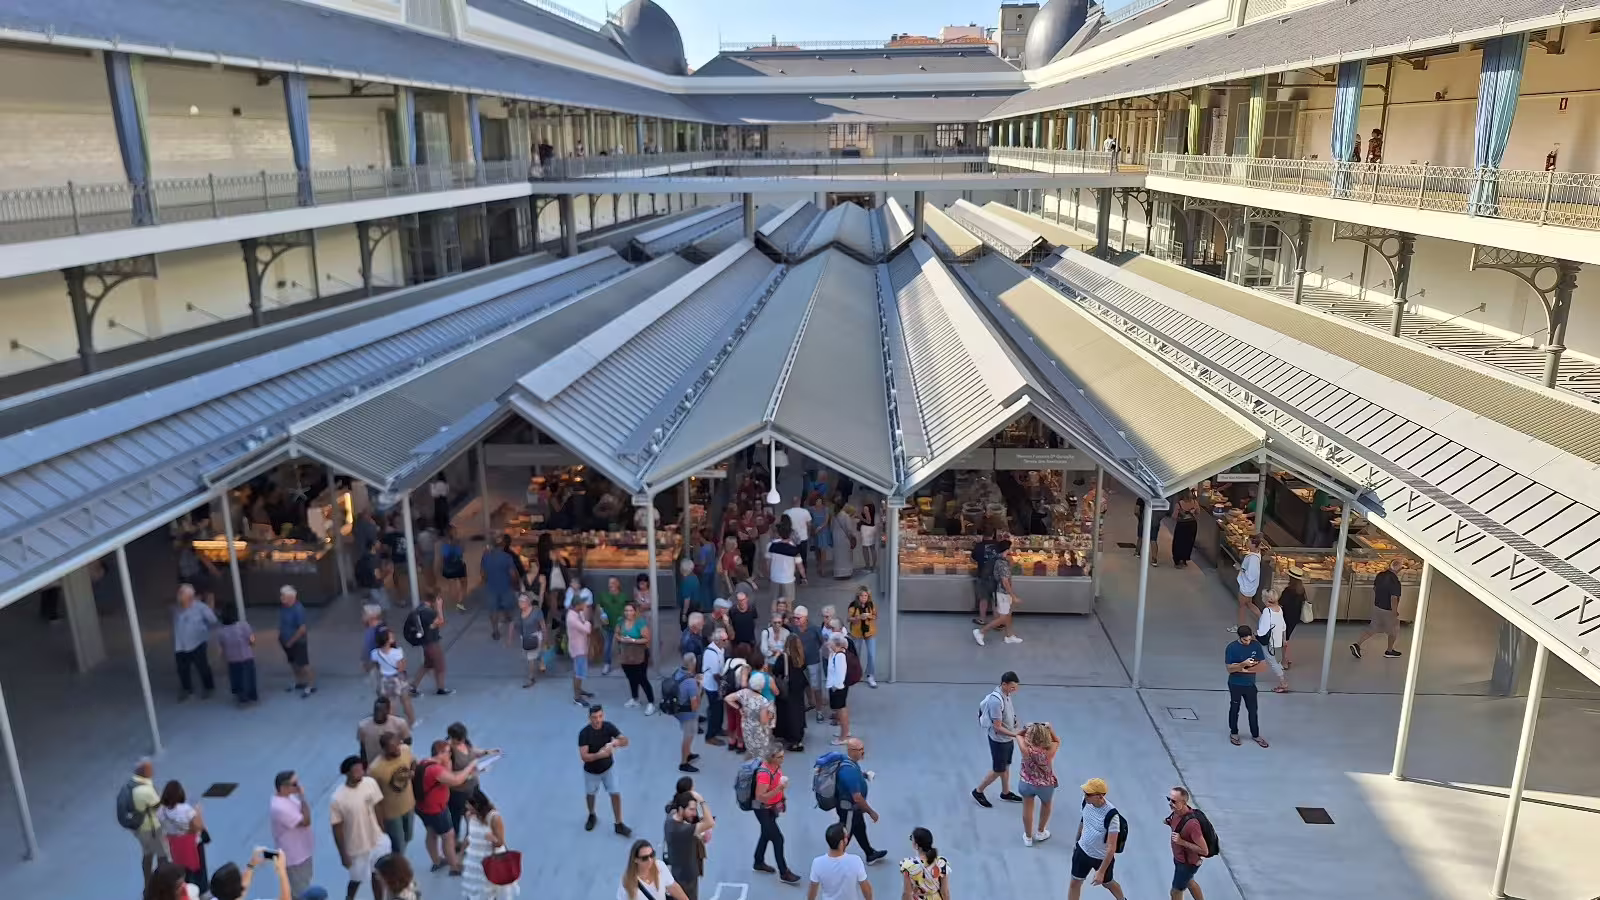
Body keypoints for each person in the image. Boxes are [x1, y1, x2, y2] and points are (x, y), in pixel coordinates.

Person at [328, 755, 387, 900]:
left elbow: (378, 805)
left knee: (377, 874)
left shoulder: (370, 783)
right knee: (356, 879)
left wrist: (382, 829)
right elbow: (337, 828)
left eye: (362, 769)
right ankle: (349, 898)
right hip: (356, 847)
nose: (361, 772)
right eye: (356, 770)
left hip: (377, 840)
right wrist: (343, 855)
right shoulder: (337, 798)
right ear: (347, 773)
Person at [416, 739, 473, 873]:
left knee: (431, 832)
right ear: (440, 752)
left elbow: (448, 774)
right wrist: (470, 767)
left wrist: (447, 763)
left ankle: (436, 861)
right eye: (448, 753)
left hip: (422, 807)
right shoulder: (435, 770)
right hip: (436, 809)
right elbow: (455, 780)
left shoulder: (424, 763)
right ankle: (455, 867)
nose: (450, 756)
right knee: (448, 836)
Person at [579, 704, 634, 837]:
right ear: (589, 718)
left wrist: (616, 743)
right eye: (594, 717)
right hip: (591, 772)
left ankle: (619, 824)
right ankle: (592, 815)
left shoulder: (608, 727)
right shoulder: (584, 733)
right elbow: (584, 756)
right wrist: (600, 755)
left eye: (600, 716)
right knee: (590, 794)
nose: (597, 720)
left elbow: (625, 740)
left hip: (609, 768)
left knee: (615, 793)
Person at [1068, 778, 1126, 900]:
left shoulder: (1112, 816)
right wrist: (1076, 843)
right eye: (1085, 793)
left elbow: (1111, 847)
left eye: (1089, 794)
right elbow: (1083, 821)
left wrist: (1101, 871)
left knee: (1108, 883)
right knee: (1074, 883)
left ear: (1100, 796)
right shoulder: (1085, 802)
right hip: (1082, 851)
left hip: (1101, 858)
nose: (1085, 796)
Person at [972, 671, 1023, 808]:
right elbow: (997, 727)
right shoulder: (995, 701)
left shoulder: (1006, 694)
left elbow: (1009, 712)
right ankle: (978, 791)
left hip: (1007, 738)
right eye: (1012, 687)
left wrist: (1014, 720)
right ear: (1004, 684)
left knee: (1006, 766)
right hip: (999, 740)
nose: (1015, 690)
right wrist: (1016, 735)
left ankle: (1005, 792)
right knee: (998, 770)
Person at [750, 746, 801, 884]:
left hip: (771, 808)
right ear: (771, 758)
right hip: (763, 809)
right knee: (778, 839)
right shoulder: (765, 774)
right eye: (780, 757)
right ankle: (784, 872)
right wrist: (779, 789)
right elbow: (760, 797)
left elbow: (777, 784)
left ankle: (758, 861)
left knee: (766, 834)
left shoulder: (776, 768)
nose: (783, 759)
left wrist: (782, 797)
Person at [833, 738, 884, 864]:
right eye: (860, 750)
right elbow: (857, 797)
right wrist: (871, 812)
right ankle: (834, 861)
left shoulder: (849, 762)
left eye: (863, 749)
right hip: (849, 809)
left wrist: (864, 775)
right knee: (845, 835)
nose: (863, 752)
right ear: (851, 751)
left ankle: (870, 853)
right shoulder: (848, 770)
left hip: (854, 809)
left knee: (860, 828)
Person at [460, 789, 516, 900]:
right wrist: (461, 853)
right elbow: (469, 835)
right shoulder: (469, 815)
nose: (467, 808)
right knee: (476, 888)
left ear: (477, 805)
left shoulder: (494, 818)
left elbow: (501, 842)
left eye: (469, 805)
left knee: (490, 888)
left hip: (491, 858)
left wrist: (493, 839)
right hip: (476, 859)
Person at [447, 723, 497, 845]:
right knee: (456, 820)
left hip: (472, 788)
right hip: (458, 792)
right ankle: (455, 844)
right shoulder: (448, 752)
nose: (462, 741)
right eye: (459, 739)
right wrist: (473, 772)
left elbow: (472, 751)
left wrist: (486, 752)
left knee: (474, 817)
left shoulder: (465, 743)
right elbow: (452, 776)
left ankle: (468, 840)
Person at [367, 732, 415, 858]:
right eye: (393, 748)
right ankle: (398, 870)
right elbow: (373, 798)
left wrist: (412, 771)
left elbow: (413, 761)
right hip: (391, 814)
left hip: (409, 805)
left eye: (398, 745)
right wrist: (379, 821)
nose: (397, 749)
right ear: (384, 749)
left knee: (408, 837)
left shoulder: (405, 750)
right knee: (398, 845)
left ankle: (397, 862)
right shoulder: (375, 769)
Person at [269, 770, 316, 898]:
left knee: (305, 884)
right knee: (300, 892)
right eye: (294, 784)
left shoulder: (288, 797)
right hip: (294, 858)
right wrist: (302, 796)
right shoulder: (279, 808)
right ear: (283, 788)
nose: (299, 786)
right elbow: (306, 821)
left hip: (303, 852)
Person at [156, 780, 207, 894]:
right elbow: (197, 826)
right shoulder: (186, 809)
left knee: (181, 867)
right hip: (191, 843)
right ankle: (201, 891)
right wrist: (199, 813)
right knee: (199, 869)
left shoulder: (161, 811)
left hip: (175, 843)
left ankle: (183, 889)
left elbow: (161, 826)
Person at [1014, 722, 1060, 846]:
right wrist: (1050, 729)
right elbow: (1057, 741)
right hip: (1045, 785)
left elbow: (1018, 735)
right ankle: (1041, 832)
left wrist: (1026, 728)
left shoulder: (1025, 749)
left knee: (1027, 808)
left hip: (1026, 783)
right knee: (1046, 805)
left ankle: (1028, 837)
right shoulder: (1049, 751)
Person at [1351, 557, 1405, 660]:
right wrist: (1394, 612)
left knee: (1373, 628)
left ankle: (1357, 644)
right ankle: (1389, 651)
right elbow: (1394, 598)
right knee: (1394, 630)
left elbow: (1375, 588)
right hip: (1388, 610)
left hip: (1377, 606)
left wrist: (1379, 598)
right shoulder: (1395, 582)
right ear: (1398, 569)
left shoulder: (1380, 575)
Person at [663, 791, 714, 900]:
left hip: (677, 874)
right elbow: (710, 823)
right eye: (691, 809)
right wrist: (702, 801)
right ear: (681, 809)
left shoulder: (670, 819)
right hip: (686, 878)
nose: (694, 813)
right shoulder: (683, 830)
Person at [1225, 625, 1269, 748]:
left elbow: (1263, 666)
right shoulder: (1232, 648)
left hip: (1250, 684)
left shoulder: (1255, 646)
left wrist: (1243, 669)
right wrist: (1243, 664)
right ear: (1239, 638)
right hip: (1235, 684)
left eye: (1249, 639)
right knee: (1235, 708)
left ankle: (1256, 734)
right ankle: (1234, 733)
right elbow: (1229, 669)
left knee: (1253, 710)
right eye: (1245, 640)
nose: (1247, 642)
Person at [172, 584, 218, 701]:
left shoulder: (200, 607)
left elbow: (213, 620)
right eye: (180, 595)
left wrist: (203, 630)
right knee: (182, 669)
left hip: (198, 643)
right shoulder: (177, 609)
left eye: (183, 596)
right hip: (180, 645)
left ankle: (209, 687)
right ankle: (187, 689)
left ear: (190, 597)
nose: (180, 598)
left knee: (202, 667)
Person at [124, 758, 167, 880]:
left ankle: (148, 881)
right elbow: (158, 806)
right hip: (151, 828)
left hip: (140, 829)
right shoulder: (145, 790)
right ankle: (161, 881)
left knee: (148, 854)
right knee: (162, 854)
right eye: (149, 769)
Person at [808, 822, 872, 900]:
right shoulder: (855, 861)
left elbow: (812, 892)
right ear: (842, 842)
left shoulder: (817, 863)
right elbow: (866, 890)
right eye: (846, 836)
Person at [973, 541, 1021, 646]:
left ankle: (1009, 636)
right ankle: (981, 632)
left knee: (1008, 615)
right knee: (1003, 618)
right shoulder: (1002, 563)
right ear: (1007, 549)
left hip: (1002, 592)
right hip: (1003, 593)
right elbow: (1005, 581)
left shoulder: (1001, 560)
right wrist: (1013, 596)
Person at [1166, 786, 1209, 900]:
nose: (1170, 803)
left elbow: (1204, 850)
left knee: (1175, 892)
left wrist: (1182, 842)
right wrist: (1169, 822)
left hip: (1187, 864)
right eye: (1169, 799)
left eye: (1174, 801)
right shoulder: (1176, 813)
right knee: (1189, 881)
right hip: (1180, 860)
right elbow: (1178, 826)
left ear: (1183, 802)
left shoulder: (1192, 825)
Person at [407, 594, 453, 696]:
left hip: (425, 642)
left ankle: (413, 686)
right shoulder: (428, 612)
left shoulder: (419, 609)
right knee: (440, 666)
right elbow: (440, 622)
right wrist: (439, 607)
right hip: (432, 642)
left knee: (428, 664)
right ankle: (441, 688)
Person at [275, 585, 316, 697]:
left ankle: (311, 685)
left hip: (297, 641)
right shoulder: (284, 607)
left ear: (291, 597)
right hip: (285, 641)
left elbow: (302, 629)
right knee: (293, 663)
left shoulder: (298, 609)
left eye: (283, 595)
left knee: (303, 664)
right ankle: (299, 682)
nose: (281, 598)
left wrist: (291, 641)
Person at [616, 601, 656, 714]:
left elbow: (647, 638)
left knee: (642, 678)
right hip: (626, 653)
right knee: (631, 677)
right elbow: (617, 634)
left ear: (635, 611)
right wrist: (621, 639)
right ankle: (635, 698)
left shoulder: (640, 622)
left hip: (639, 653)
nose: (628, 613)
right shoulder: (621, 621)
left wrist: (633, 640)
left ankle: (651, 702)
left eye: (630, 610)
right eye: (626, 610)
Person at [728, 669, 776, 761]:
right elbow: (764, 721)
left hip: (747, 727)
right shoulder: (763, 701)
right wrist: (771, 715)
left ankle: (748, 768)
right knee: (760, 754)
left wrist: (739, 708)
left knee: (750, 750)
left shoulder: (744, 693)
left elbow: (728, 698)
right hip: (759, 731)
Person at [370, 628, 415, 724]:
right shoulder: (397, 652)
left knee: (390, 703)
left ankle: (390, 724)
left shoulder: (374, 653)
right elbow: (401, 668)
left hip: (385, 679)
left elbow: (377, 666)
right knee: (405, 701)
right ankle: (411, 721)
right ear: (386, 640)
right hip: (398, 679)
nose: (393, 637)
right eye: (391, 637)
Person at [216, 602, 258, 705]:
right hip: (246, 656)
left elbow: (222, 646)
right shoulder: (243, 626)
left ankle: (241, 696)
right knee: (248, 677)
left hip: (232, 658)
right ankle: (251, 695)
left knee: (236, 677)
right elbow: (251, 640)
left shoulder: (221, 631)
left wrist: (222, 658)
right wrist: (251, 643)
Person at [480, 534, 521, 642]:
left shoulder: (486, 557)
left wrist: (486, 582)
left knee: (493, 610)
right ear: (502, 546)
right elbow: (512, 574)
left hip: (491, 587)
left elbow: (483, 574)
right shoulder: (507, 557)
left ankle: (495, 631)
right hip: (505, 587)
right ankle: (509, 620)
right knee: (508, 606)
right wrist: (516, 584)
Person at [208, 849, 292, 900]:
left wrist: (251, 865)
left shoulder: (219, 896)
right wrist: (282, 870)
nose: (242, 873)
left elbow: (240, 890)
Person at [619, 838, 688, 900]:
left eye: (652, 855)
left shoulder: (660, 866)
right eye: (645, 858)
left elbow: (673, 887)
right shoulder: (627, 881)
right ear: (635, 859)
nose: (650, 860)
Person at [773, 634, 809, 751]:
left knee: (787, 711)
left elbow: (776, 670)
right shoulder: (801, 656)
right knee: (798, 710)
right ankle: (798, 735)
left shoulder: (783, 657)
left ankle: (789, 737)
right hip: (799, 686)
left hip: (787, 687)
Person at [794, 606, 828, 724]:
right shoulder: (794, 629)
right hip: (799, 663)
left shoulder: (815, 629)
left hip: (813, 662)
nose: (796, 620)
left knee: (817, 687)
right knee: (804, 685)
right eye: (795, 618)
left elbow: (822, 643)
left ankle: (819, 711)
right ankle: (811, 703)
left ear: (806, 618)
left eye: (799, 618)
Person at [357, 696, 412, 765]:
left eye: (382, 710)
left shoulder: (400, 723)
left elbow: (408, 741)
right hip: (373, 763)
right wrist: (364, 765)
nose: (378, 713)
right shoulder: (363, 726)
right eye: (376, 709)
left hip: (395, 762)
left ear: (388, 710)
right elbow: (363, 748)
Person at [672, 652, 703, 773]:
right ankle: (684, 762)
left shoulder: (678, 672)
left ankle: (688, 753)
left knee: (689, 734)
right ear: (693, 664)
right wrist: (699, 687)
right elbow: (695, 706)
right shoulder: (691, 683)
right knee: (688, 736)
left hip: (679, 710)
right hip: (688, 714)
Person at [899, 827, 949, 900]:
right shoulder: (941, 862)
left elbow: (907, 893)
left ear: (916, 845)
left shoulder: (908, 865)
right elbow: (945, 892)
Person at [1257, 590, 1290, 692]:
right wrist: (1284, 640)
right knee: (1275, 660)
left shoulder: (1267, 611)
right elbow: (1284, 626)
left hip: (1269, 641)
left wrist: (1256, 634)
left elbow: (1263, 629)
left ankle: (1283, 683)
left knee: (1273, 662)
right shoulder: (1279, 609)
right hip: (1277, 640)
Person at [568, 590, 597, 706]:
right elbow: (587, 629)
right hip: (578, 649)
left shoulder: (577, 613)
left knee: (579, 671)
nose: (585, 605)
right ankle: (577, 697)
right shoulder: (572, 618)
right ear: (577, 605)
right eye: (583, 604)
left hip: (582, 646)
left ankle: (580, 690)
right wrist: (587, 621)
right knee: (578, 672)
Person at [847, 586, 879, 688]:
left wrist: (869, 616)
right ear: (858, 596)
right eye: (862, 595)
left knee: (872, 655)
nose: (864, 597)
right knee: (856, 654)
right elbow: (849, 619)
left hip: (870, 632)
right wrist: (858, 617)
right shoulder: (853, 606)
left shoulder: (871, 604)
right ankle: (857, 674)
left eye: (866, 595)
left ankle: (870, 675)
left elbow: (875, 615)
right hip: (857, 632)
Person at [767, 518, 804, 605]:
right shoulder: (794, 549)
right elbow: (800, 566)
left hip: (774, 577)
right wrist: (804, 577)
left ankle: (775, 617)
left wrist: (768, 574)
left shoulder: (771, 546)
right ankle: (788, 617)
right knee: (789, 602)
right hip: (788, 579)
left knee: (774, 601)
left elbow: (768, 562)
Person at [701, 627, 728, 746]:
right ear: (717, 641)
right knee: (714, 711)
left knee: (720, 709)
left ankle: (718, 729)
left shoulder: (720, 649)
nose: (727, 641)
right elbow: (715, 674)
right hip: (712, 687)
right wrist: (721, 688)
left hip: (717, 684)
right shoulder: (711, 653)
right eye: (724, 639)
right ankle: (710, 736)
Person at [597, 575, 628, 676]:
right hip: (608, 625)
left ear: (618, 584)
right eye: (610, 583)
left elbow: (629, 608)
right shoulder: (603, 595)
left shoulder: (624, 596)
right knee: (608, 645)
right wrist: (601, 614)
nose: (611, 585)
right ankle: (607, 664)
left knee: (622, 645)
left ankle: (625, 664)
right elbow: (599, 606)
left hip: (621, 624)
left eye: (613, 582)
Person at [1278, 567, 1308, 670]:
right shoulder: (1301, 590)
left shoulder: (1288, 591)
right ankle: (1286, 658)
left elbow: (1281, 603)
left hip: (1286, 617)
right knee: (1287, 638)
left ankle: (1284, 661)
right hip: (1295, 618)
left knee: (1284, 639)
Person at [1236, 534, 1263, 626]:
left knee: (1242, 606)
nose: (1247, 543)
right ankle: (1263, 619)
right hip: (1249, 587)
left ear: (1253, 545)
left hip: (1246, 586)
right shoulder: (1256, 555)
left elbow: (1251, 575)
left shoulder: (1253, 559)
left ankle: (1240, 626)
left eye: (1248, 541)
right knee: (1249, 604)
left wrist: (1241, 568)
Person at [440, 526, 468, 612]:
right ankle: (459, 603)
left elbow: (443, 557)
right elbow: (462, 551)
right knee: (463, 584)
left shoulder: (444, 543)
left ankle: (457, 602)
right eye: (455, 531)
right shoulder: (458, 542)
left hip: (448, 567)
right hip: (458, 565)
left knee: (452, 586)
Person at [1171, 492, 1200, 568]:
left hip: (1182, 525)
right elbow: (1198, 512)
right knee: (1188, 542)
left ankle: (1177, 561)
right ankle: (1184, 560)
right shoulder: (1195, 502)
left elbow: (1174, 516)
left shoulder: (1179, 504)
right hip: (1192, 525)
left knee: (1178, 542)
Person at [830, 503, 858, 580]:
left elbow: (831, 527)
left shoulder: (834, 516)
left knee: (838, 556)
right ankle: (846, 572)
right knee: (845, 556)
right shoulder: (845, 516)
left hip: (836, 538)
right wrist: (853, 536)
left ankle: (838, 573)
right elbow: (849, 529)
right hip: (844, 538)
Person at [1133, 497, 1161, 566]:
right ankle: (1154, 559)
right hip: (1155, 521)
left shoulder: (1141, 498)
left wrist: (1139, 518)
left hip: (1144, 520)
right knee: (1153, 540)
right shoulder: (1158, 499)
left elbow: (1136, 511)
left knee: (1140, 537)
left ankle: (1137, 552)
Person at [783, 497, 812, 562]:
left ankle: (793, 570)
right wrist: (809, 534)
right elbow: (809, 525)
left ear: (792, 503)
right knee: (803, 557)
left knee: (792, 557)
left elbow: (783, 526)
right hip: (803, 537)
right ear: (799, 502)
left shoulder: (786, 512)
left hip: (791, 538)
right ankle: (803, 570)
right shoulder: (805, 512)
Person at [857, 503, 878, 572]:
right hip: (872, 528)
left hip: (866, 529)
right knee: (872, 547)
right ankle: (874, 566)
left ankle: (867, 566)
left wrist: (860, 518)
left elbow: (868, 521)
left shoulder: (866, 507)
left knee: (865, 548)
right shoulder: (872, 505)